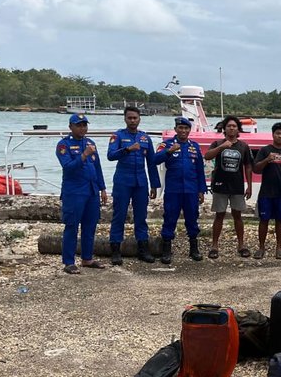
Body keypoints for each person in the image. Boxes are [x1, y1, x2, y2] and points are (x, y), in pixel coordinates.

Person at [107, 106, 160, 265]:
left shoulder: (145, 138)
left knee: (141, 216)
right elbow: (110, 155)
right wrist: (127, 149)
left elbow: (151, 163)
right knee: (119, 215)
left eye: (135, 118)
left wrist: (154, 185)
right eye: (129, 118)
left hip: (141, 182)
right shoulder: (118, 136)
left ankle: (142, 249)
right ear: (125, 119)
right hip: (123, 180)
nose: (132, 121)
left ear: (139, 119)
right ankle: (115, 250)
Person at [56, 113, 107, 273]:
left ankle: (87, 258)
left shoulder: (90, 143)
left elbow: (97, 167)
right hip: (74, 192)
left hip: (91, 191)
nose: (82, 128)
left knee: (90, 226)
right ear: (70, 127)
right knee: (72, 226)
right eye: (79, 125)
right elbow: (68, 167)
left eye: (84, 125)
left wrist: (102, 188)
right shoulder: (63, 145)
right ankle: (69, 262)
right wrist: (84, 155)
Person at [154, 117, 207, 264]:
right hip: (173, 189)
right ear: (175, 129)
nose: (183, 131)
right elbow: (154, 159)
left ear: (189, 130)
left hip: (191, 189)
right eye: (180, 128)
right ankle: (166, 250)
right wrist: (169, 151)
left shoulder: (194, 146)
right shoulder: (166, 144)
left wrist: (201, 189)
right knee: (170, 217)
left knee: (192, 218)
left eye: (186, 128)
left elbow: (199, 170)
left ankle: (194, 248)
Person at [204, 116, 254, 259]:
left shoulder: (243, 146)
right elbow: (207, 156)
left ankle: (241, 245)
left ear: (238, 129)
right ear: (224, 128)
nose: (231, 128)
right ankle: (214, 245)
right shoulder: (217, 142)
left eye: (234, 126)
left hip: (237, 185)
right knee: (219, 215)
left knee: (237, 215)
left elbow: (248, 166)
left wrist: (249, 185)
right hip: (220, 185)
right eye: (229, 126)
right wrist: (221, 147)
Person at [253, 122, 281, 259]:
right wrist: (267, 160)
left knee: (280, 221)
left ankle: (279, 247)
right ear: (273, 134)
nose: (280, 136)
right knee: (264, 220)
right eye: (277, 133)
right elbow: (256, 169)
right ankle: (261, 247)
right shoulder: (265, 150)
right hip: (266, 192)